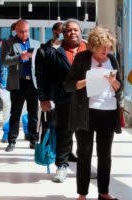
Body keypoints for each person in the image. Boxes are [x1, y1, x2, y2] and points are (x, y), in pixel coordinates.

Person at [65, 26, 123, 200]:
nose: (106, 51)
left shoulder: (112, 59)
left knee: (105, 155)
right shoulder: (82, 58)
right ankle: (82, 194)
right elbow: (68, 85)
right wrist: (85, 81)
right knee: (84, 153)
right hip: (86, 113)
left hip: (108, 112)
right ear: (92, 46)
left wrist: (114, 83)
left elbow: (120, 87)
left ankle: (103, 192)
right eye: (102, 48)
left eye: (108, 47)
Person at [35, 19, 86, 183]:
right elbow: (44, 78)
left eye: (76, 30)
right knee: (64, 133)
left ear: (81, 32)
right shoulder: (54, 52)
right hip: (63, 99)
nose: (73, 33)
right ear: (63, 34)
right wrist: (44, 98)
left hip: (87, 100)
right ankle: (62, 166)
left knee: (85, 135)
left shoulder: (90, 51)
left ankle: (85, 167)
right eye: (69, 30)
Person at [1, 19, 40, 152]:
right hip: (18, 83)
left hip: (33, 83)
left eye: (27, 31)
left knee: (33, 113)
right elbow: (4, 61)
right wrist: (20, 58)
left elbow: (41, 61)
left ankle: (33, 140)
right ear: (15, 31)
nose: (25, 34)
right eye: (21, 31)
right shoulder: (8, 43)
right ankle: (12, 141)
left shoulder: (36, 43)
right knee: (15, 113)